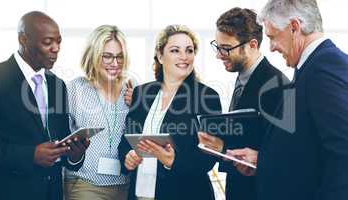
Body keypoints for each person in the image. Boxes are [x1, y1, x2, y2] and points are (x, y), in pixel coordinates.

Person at [227, 1, 348, 200]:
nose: (272, 48)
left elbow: (343, 154)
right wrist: (263, 161)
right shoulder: (312, 66)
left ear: (294, 27)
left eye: (272, 37)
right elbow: (308, 150)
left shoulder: (323, 69)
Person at [0, 11, 89, 200]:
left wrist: (74, 154)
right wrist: (29, 155)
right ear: (23, 39)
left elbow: (61, 143)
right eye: (48, 42)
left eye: (59, 41)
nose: (56, 48)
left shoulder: (57, 85)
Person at [118, 25, 222, 200]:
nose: (184, 57)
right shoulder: (142, 93)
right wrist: (127, 157)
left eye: (189, 50)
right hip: (141, 194)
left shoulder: (207, 96)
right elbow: (126, 141)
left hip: (186, 193)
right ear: (160, 56)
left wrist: (172, 161)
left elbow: (209, 157)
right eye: (175, 50)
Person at [197, 7, 287, 200]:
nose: (219, 55)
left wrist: (223, 147)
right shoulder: (242, 78)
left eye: (226, 48)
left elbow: (280, 154)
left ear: (252, 45)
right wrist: (218, 145)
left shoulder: (277, 86)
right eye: (217, 46)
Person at [64, 25, 130, 200]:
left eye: (120, 57)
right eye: (107, 56)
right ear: (93, 55)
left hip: (125, 185)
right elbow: (61, 138)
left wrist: (138, 104)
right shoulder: (75, 88)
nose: (115, 63)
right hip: (85, 184)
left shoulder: (131, 91)